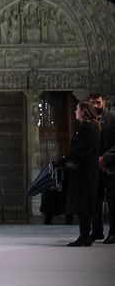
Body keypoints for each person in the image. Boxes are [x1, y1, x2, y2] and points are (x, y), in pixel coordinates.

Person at [54, 100, 100, 247]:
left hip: (86, 171)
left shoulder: (91, 126)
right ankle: (84, 235)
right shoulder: (83, 127)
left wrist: (65, 158)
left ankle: (85, 235)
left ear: (84, 111)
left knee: (85, 202)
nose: (75, 112)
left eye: (77, 109)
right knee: (81, 203)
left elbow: (83, 148)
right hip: (81, 170)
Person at [89, 93, 115, 244]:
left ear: (103, 102)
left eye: (98, 102)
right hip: (94, 168)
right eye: (93, 103)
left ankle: (113, 233)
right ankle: (96, 231)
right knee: (95, 201)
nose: (96, 105)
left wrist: (105, 157)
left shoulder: (112, 117)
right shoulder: (89, 120)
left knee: (112, 202)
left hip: (111, 166)